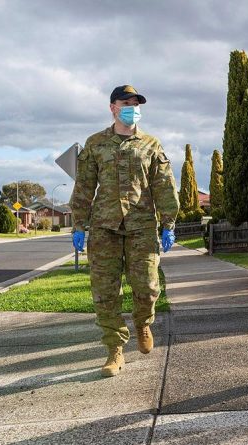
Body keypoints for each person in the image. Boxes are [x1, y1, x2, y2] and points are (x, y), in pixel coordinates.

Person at [70, 84, 179, 377]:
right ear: (113, 108)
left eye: (136, 103)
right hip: (104, 228)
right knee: (105, 294)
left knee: (147, 287)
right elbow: (83, 187)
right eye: (127, 102)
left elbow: (164, 186)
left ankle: (143, 323)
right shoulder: (95, 144)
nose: (133, 108)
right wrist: (79, 223)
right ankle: (114, 351)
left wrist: (168, 223)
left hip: (142, 227)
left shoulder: (151, 145)